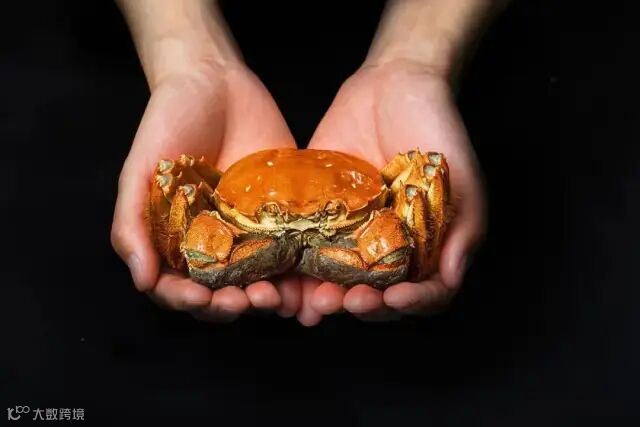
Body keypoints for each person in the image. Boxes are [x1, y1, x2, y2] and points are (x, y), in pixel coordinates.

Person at [111, 0, 510, 326]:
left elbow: (400, 238)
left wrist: (418, 60)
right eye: (273, 215)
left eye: (328, 215)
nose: (302, 231)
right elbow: (195, 248)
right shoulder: (209, 202)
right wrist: (186, 55)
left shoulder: (384, 204)